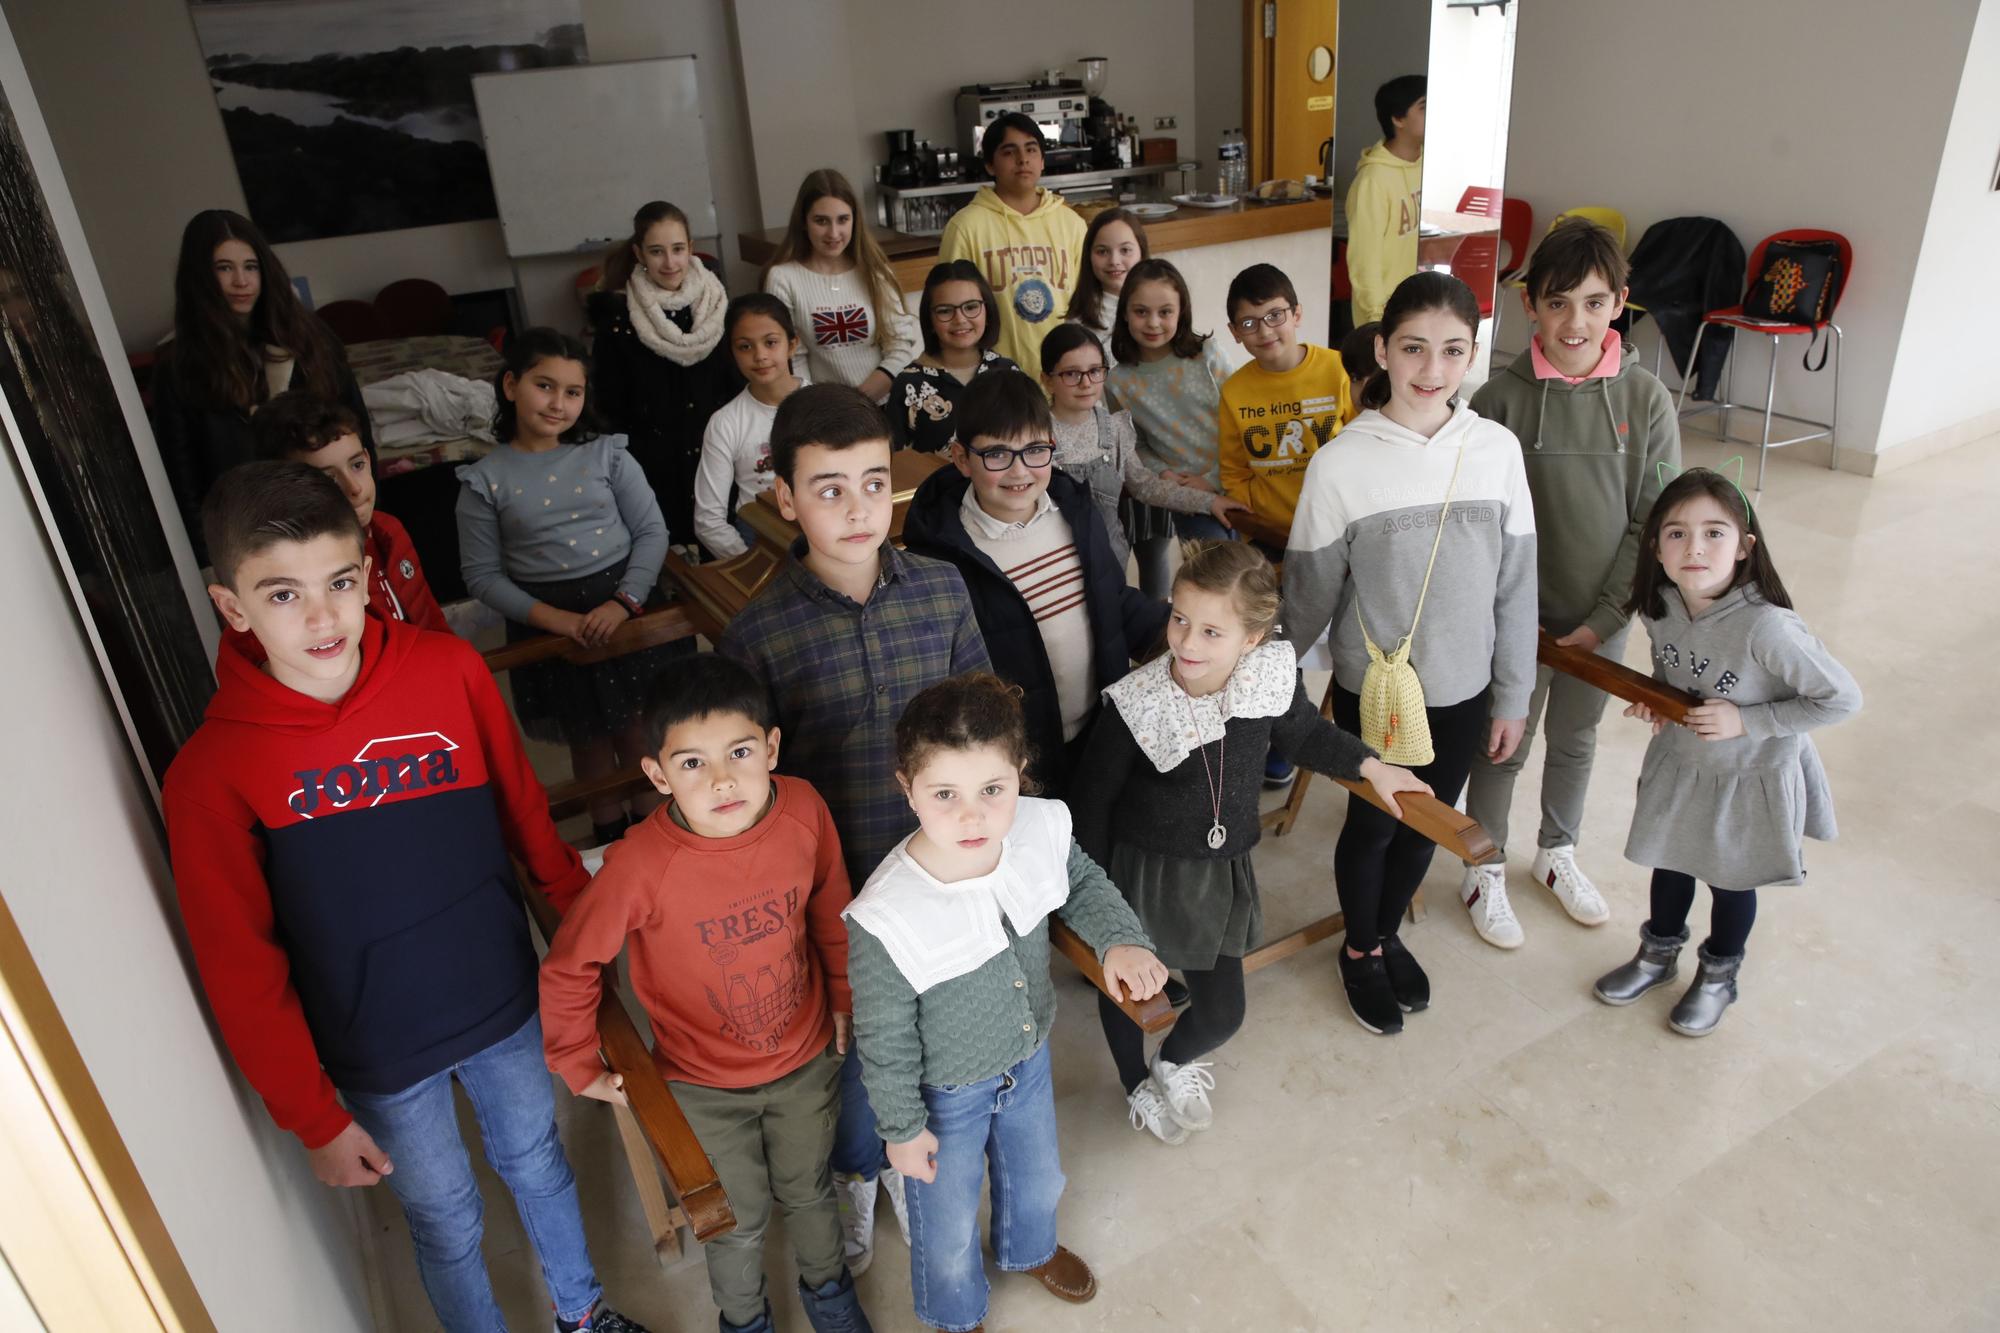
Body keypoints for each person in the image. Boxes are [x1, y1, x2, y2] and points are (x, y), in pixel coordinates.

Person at [162, 461, 648, 1333]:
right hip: (377, 1049)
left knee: (537, 1159)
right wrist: (311, 1116)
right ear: (231, 606)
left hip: (499, 997)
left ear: (365, 573)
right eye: (282, 594)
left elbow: (528, 819)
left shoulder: (447, 671)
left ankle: (584, 1314)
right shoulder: (211, 773)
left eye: (340, 582)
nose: (322, 617)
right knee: (446, 1213)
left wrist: (587, 944)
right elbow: (241, 966)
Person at [718, 383, 991, 1276]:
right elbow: (751, 798)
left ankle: (918, 1177)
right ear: (784, 497)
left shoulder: (942, 589)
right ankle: (857, 1176)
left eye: (874, 482)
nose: (858, 507)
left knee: (934, 1040)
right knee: (857, 1050)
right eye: (829, 488)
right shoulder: (757, 635)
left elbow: (983, 723)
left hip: (939, 873)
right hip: (834, 899)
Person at [540, 654, 872, 1333]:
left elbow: (832, 906)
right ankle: (744, 1320)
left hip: (805, 1058)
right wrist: (578, 1063)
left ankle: (830, 1294)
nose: (722, 779)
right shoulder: (639, 864)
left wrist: (843, 995)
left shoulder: (803, 808)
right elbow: (571, 963)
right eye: (692, 764)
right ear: (658, 775)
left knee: (811, 1192)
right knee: (734, 1217)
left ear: (771, 747)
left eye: (740, 751)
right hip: (700, 1083)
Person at [1071, 541, 1429, 1143]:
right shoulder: (1137, 705)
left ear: (1252, 639)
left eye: (1213, 631)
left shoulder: (1267, 680)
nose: (1186, 643)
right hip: (1142, 871)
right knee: (1135, 991)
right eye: (1180, 619)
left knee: (1223, 1010)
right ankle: (1135, 1081)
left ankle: (1172, 1062)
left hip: (1220, 866)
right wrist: (1096, 907)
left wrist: (1372, 767)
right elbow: (1092, 802)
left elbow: (1306, 735)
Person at [844, 672, 1167, 1332]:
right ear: (908, 788)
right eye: (944, 793)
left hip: (1030, 1057)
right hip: (946, 1090)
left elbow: (1080, 880)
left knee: (1039, 1176)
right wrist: (902, 1129)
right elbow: (883, 1034)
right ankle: (955, 1314)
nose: (972, 815)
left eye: (993, 789)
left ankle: (1029, 1248)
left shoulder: (1038, 829)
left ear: (1020, 772)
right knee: (948, 1218)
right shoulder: (885, 914)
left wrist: (1118, 940)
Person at [1281, 273, 1537, 1036]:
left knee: (1428, 822)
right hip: (1379, 694)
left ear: (1472, 356)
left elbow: (1519, 583)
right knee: (1374, 827)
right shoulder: (1341, 464)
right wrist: (1265, 685)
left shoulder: (1494, 450)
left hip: (1467, 688)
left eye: (1453, 351)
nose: (1433, 370)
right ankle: (1359, 949)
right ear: (1383, 351)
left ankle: (1384, 931)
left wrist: (1514, 694)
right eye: (1415, 349)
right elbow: (1306, 596)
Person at [1459, 218, 1683, 949]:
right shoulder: (1499, 399)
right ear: (1531, 306)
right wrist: (1509, 617)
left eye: (1592, 302)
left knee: (1577, 737)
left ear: (1619, 302)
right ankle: (1483, 861)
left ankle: (1557, 852)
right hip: (1515, 619)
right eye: (1558, 303)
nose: (1575, 321)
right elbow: (1480, 524)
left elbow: (1655, 518)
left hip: (1604, 616)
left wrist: (1606, 613)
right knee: (1504, 742)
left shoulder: (1647, 400)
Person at [1596, 467, 1859, 1036]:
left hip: (1747, 777)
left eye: (1715, 533)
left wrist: (1747, 718)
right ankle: (1657, 955)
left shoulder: (1769, 628)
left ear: (1745, 547)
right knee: (1670, 861)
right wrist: (1658, 699)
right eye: (1677, 533)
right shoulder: (1661, 603)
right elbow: (1675, 667)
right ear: (1655, 547)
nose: (1695, 548)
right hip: (1683, 764)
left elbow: (1840, 700)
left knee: (1729, 879)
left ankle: (1718, 974)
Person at [455, 327, 679, 847]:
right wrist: (559, 624)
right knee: (589, 736)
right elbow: (482, 577)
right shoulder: (483, 480)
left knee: (640, 728)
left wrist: (624, 602)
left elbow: (651, 532)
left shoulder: (609, 454)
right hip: (550, 621)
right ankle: (608, 841)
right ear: (511, 385)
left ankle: (656, 837)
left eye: (572, 392)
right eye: (544, 386)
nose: (559, 403)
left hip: (628, 603)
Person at [902, 368, 1167, 796]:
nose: (1019, 470)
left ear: (1052, 447)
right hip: (1018, 763)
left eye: (1034, 450)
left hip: (1098, 735)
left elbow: (1111, 603)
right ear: (961, 459)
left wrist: (1182, 628)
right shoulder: (942, 556)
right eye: (997, 454)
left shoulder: (1075, 512)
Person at [151, 209, 373, 563]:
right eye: (224, 268)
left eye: (251, 266)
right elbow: (182, 482)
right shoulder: (179, 366)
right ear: (200, 277)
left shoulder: (313, 340)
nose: (242, 281)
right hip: (250, 537)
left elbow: (361, 435)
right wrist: (211, 561)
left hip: (331, 522)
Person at [588, 200, 740, 546]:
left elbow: (734, 389)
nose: (670, 263)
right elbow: (610, 411)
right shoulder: (618, 324)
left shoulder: (719, 307)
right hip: (655, 468)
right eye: (657, 252)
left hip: (719, 460)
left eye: (677, 249)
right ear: (638, 254)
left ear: (691, 248)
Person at [1040, 323, 1247, 571]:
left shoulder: (1114, 427)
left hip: (1112, 560)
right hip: (1059, 564)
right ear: (1048, 380)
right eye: (1071, 374)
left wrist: (1207, 502)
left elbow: (1145, 486)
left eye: (1095, 371)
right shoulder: (1034, 435)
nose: (1086, 383)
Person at [251, 390, 448, 633]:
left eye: (357, 465)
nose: (354, 488)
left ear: (367, 457)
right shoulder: (294, 573)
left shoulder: (389, 528)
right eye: (328, 479)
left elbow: (430, 618)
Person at [1104, 257, 1240, 600]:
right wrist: (1163, 473)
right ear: (1124, 313)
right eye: (1141, 312)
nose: (1153, 323)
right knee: (1219, 578)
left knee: (1254, 571)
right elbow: (1137, 447)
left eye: (1165, 312)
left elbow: (1240, 418)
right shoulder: (1119, 381)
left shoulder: (1207, 354)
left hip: (1239, 479)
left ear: (1182, 313)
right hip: (1190, 499)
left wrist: (1213, 477)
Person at [1217, 261, 1355, 551]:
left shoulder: (1338, 368)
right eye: (1249, 323)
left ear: (1297, 315)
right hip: (1271, 536)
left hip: (1338, 529)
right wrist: (1257, 520)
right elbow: (1234, 470)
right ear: (1234, 332)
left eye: (1275, 315)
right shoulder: (1234, 391)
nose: (1265, 332)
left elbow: (1363, 447)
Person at [937, 110, 1086, 370]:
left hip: (1063, 379)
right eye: (1009, 152)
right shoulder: (965, 227)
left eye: (1031, 150)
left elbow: (1086, 306)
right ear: (990, 164)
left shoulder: (1071, 223)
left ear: (1042, 160)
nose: (1022, 160)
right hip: (994, 380)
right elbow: (949, 311)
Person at [761, 169, 920, 401]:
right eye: (821, 221)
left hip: (884, 406)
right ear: (803, 222)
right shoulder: (783, 278)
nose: (833, 233)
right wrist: (827, 412)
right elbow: (793, 357)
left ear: (855, 221)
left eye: (843, 219)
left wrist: (859, 402)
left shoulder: (875, 271)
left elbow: (900, 347)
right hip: (823, 412)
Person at [694, 294, 808, 560]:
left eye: (771, 343)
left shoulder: (826, 404)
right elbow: (708, 520)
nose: (760, 356)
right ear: (732, 353)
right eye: (745, 347)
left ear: (792, 345)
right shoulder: (725, 423)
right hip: (760, 537)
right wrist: (752, 563)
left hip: (825, 527)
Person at [887, 260, 1019, 455]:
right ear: (929, 319)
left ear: (987, 310)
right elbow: (896, 463)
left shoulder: (1009, 373)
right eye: (945, 311)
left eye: (971, 307)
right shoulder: (908, 384)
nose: (960, 319)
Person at [1344, 75, 1426, 326]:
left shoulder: (1428, 165)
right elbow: (1364, 260)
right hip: (1385, 317)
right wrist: (1377, 319)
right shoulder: (1373, 180)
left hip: (1422, 305)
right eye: (1424, 107)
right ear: (1398, 119)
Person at [1063, 206, 1147, 370]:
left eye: (1125, 250)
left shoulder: (1159, 306)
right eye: (1102, 251)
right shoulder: (1079, 321)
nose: (1114, 260)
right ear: (1089, 256)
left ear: (1141, 253)